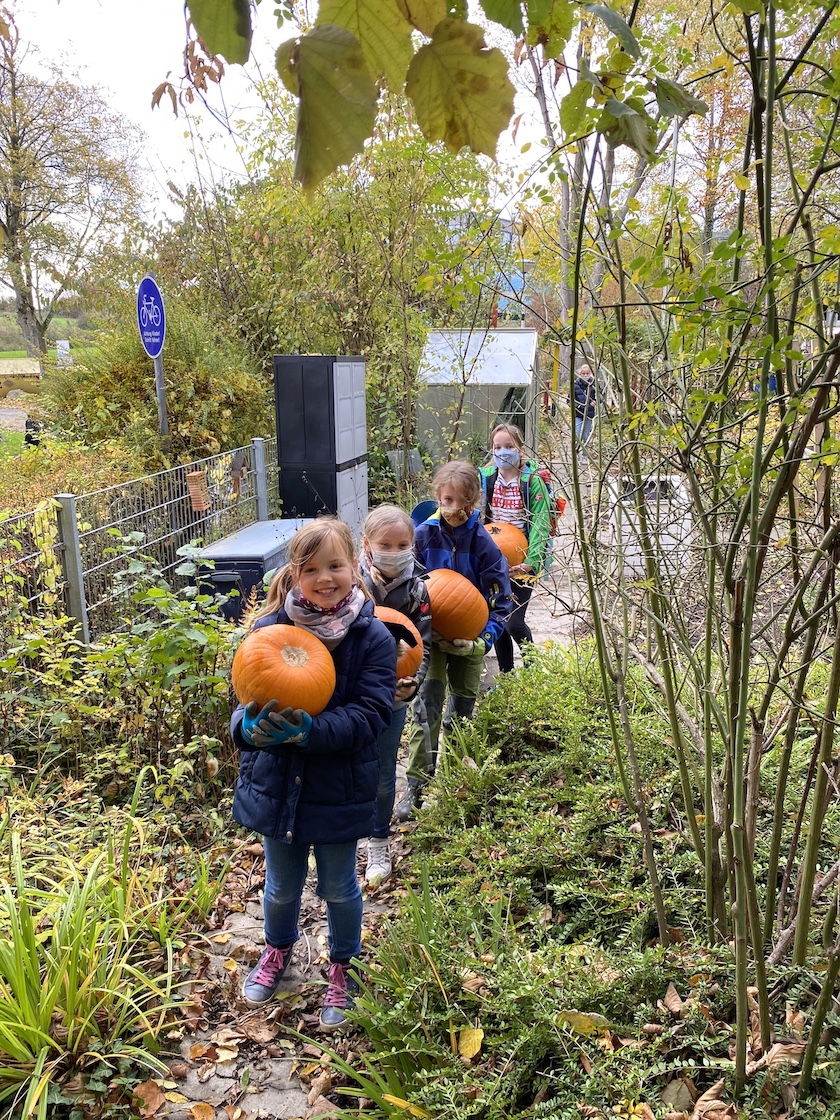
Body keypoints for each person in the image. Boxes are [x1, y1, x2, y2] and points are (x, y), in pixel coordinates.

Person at [230, 518, 396, 1030]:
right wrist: (247, 728)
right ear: (294, 575)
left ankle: (344, 966)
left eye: (336, 566)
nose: (326, 578)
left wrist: (309, 732)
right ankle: (276, 952)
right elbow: (241, 699)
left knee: (340, 887)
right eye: (312, 569)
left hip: (339, 787)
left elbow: (371, 714)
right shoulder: (268, 631)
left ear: (355, 566)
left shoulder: (372, 638)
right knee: (280, 886)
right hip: (278, 785)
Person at [395, 461, 512, 821]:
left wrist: (482, 640)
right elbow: (405, 589)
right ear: (437, 498)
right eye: (447, 499)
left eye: (462, 501)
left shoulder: (484, 544)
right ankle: (415, 787)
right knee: (425, 708)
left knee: (460, 713)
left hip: (469, 639)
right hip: (429, 637)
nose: (454, 507)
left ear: (474, 502)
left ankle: (455, 782)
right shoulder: (421, 537)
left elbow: (502, 602)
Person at [359, 506, 432, 885]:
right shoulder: (350, 584)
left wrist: (413, 681)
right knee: (351, 766)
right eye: (385, 544)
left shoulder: (418, 589)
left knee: (385, 770)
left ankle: (377, 841)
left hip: (393, 694)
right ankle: (338, 833)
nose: (394, 550)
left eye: (402, 544)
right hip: (350, 692)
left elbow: (424, 644)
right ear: (367, 544)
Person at [479, 423, 552, 673]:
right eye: (498, 447)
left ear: (521, 450)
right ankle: (507, 676)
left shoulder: (532, 482)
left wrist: (531, 561)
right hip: (494, 561)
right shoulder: (486, 478)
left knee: (514, 622)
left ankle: (531, 669)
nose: (503, 451)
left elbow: (541, 523)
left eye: (509, 446)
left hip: (522, 562)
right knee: (498, 620)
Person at [571, 364, 597, 452]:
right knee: (577, 434)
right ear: (580, 374)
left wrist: (595, 401)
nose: (585, 375)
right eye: (583, 373)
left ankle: (585, 455)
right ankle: (576, 453)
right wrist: (578, 406)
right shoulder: (575, 385)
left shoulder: (594, 384)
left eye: (587, 373)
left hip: (589, 414)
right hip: (578, 414)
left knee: (586, 435)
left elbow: (601, 397)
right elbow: (569, 400)